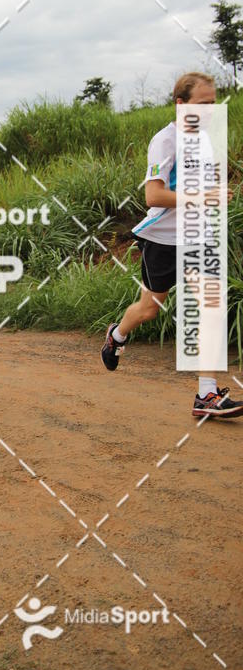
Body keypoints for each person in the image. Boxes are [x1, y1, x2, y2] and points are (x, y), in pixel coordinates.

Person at [101, 71, 242, 418]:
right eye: (203, 104)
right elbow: (154, 195)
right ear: (181, 105)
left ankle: (206, 395)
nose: (210, 111)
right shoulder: (165, 141)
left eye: (213, 104)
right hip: (162, 240)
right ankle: (117, 335)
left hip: (197, 237)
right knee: (149, 309)